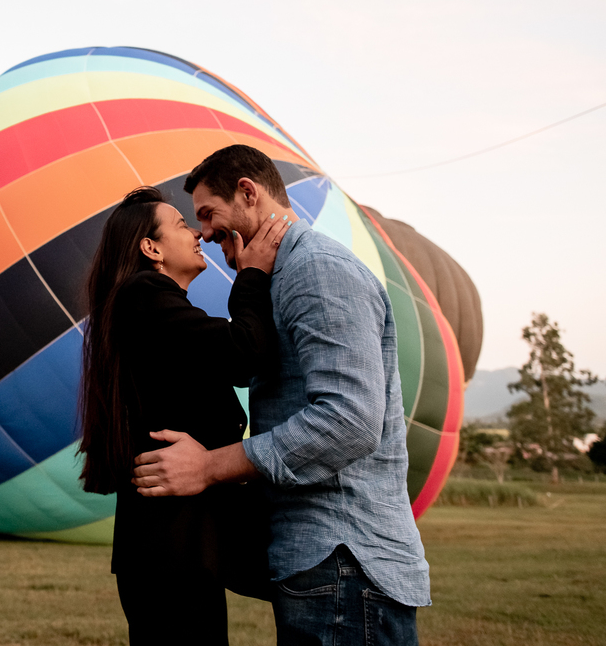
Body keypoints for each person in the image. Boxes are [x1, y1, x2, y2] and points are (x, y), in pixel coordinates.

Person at [131, 145, 431, 646]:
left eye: (208, 214)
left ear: (248, 193)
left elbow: (348, 421)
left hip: (343, 558)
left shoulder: (317, 269)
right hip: (320, 562)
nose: (203, 232)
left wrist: (209, 467)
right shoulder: (278, 278)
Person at [78, 186, 288, 645]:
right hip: (170, 546)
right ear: (151, 248)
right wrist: (252, 274)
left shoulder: (145, 307)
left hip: (173, 541)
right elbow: (243, 353)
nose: (196, 232)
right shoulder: (143, 292)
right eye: (181, 224)